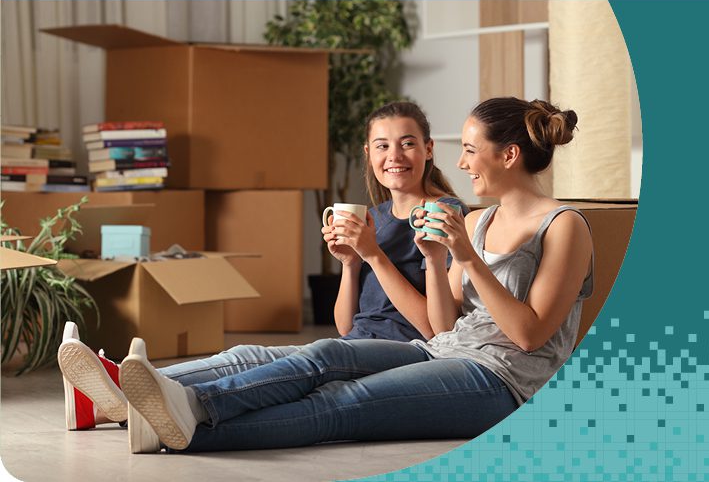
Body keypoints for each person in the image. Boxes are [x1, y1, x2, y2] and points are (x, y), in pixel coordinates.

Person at [115, 96, 594, 453]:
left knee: (343, 404)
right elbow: (444, 328)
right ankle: (185, 404)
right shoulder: (479, 221)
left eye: (471, 150)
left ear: (508, 155)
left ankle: (180, 427)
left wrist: (466, 259)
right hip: (439, 351)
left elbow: (530, 336)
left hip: (506, 382)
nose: (462, 162)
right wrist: (432, 257)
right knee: (324, 354)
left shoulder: (564, 226)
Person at [57, 102, 467, 448]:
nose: (394, 155)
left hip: (410, 352)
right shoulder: (374, 217)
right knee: (248, 354)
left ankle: (185, 402)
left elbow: (437, 331)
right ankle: (108, 389)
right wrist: (350, 263)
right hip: (360, 344)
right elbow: (347, 325)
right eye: (382, 145)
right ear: (368, 153)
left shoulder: (444, 214)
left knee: (318, 356)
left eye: (407, 143)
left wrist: (374, 255)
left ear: (429, 150)